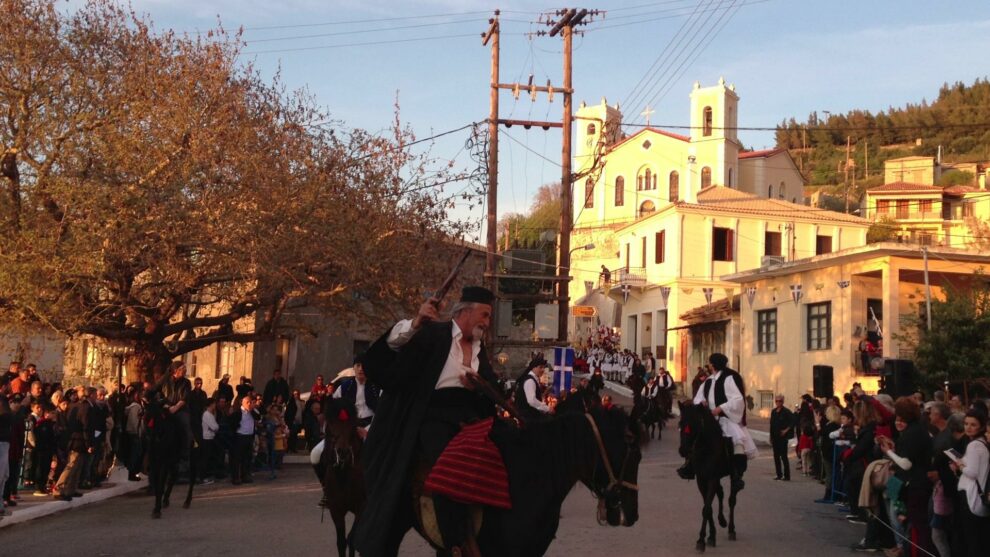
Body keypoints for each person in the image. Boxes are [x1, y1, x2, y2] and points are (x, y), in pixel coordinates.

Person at [353, 286, 500, 557]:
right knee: (447, 466)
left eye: (489, 317)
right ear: (465, 311)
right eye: (484, 315)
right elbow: (389, 367)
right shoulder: (433, 335)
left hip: (472, 419)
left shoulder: (480, 350)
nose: (487, 322)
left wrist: (478, 387)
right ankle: (456, 543)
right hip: (433, 419)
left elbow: (493, 391)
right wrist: (415, 324)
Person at [876, 397, 934, 557]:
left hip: (913, 483)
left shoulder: (912, 433)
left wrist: (888, 452)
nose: (897, 422)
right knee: (905, 518)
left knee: (913, 523)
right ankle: (903, 547)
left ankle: (907, 549)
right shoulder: (916, 430)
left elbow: (906, 464)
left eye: (900, 418)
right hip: (908, 481)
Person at [692, 353, 756, 492]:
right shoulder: (708, 381)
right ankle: (690, 466)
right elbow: (697, 398)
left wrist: (721, 408)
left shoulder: (728, 379)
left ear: (713, 364)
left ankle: (737, 475)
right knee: (693, 438)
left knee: (737, 443)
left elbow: (737, 399)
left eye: (709, 363)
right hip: (710, 420)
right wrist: (701, 403)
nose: (708, 365)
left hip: (725, 418)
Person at [951, 410, 989, 556]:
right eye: (966, 424)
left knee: (972, 540)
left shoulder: (974, 446)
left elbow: (972, 472)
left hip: (971, 497)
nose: (968, 427)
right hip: (976, 496)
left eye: (973, 425)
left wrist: (960, 465)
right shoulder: (982, 443)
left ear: (981, 427)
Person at [157, 362, 192, 462]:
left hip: (180, 409)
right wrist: (164, 405)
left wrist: (175, 407)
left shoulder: (186, 382)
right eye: (183, 368)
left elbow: (184, 398)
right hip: (166, 407)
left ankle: (185, 454)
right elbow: (157, 391)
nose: (185, 370)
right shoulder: (165, 380)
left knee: (186, 427)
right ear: (175, 371)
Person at [333, 356, 380, 430]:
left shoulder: (376, 387)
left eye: (364, 365)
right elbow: (334, 406)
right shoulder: (345, 387)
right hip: (350, 425)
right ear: (353, 368)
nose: (361, 369)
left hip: (372, 425)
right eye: (358, 365)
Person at [515, 355, 552, 422]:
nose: (543, 370)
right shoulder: (530, 381)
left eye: (544, 367)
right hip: (528, 417)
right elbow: (531, 401)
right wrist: (547, 409)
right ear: (533, 368)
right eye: (540, 367)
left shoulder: (532, 379)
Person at [229, 395, 256, 485]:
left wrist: (253, 409)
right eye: (248, 403)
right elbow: (231, 423)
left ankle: (245, 475)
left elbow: (259, 416)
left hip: (249, 437)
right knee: (237, 458)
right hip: (240, 437)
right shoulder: (237, 412)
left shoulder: (252, 412)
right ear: (244, 403)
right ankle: (236, 477)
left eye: (251, 403)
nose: (250, 405)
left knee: (247, 457)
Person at [769, 394, 793, 481]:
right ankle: (778, 474)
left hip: (782, 438)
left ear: (783, 402)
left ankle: (787, 476)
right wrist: (770, 436)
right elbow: (771, 425)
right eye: (776, 401)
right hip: (775, 437)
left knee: (783, 456)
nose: (778, 403)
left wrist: (786, 430)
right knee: (776, 457)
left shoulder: (786, 412)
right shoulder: (773, 411)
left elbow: (792, 422)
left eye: (780, 401)